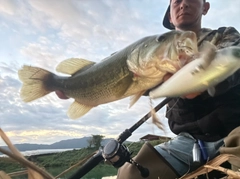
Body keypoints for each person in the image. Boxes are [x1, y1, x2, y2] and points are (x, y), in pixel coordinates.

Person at [117, 0, 240, 178]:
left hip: (234, 129)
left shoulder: (226, 35)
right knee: (130, 174)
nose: (183, 4)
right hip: (188, 141)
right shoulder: (153, 54)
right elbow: (131, 81)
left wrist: (198, 80)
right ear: (170, 15)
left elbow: (231, 64)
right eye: (176, 1)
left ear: (205, 7)